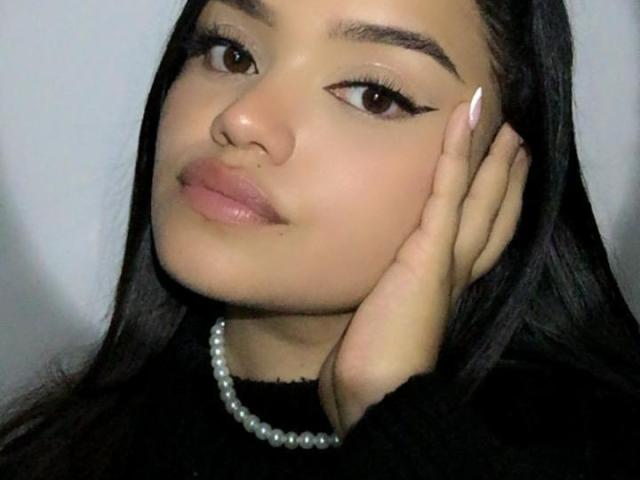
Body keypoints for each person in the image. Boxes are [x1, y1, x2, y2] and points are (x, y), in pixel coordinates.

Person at [1, 0, 639, 478]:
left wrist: (392, 412)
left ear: (499, 173)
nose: (242, 116)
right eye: (231, 53)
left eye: (373, 95)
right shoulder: (57, 449)